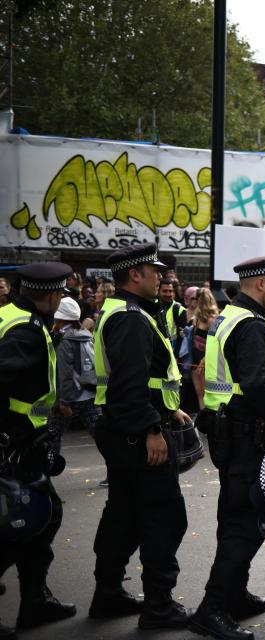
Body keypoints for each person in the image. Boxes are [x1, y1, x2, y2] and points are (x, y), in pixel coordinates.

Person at [189, 257, 265, 640]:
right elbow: (259, 383)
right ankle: (212, 608)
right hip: (244, 434)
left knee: (233, 518)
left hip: (227, 433)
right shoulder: (250, 325)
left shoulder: (228, 317)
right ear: (262, 284)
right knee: (244, 526)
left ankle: (233, 595)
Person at [90, 244, 193, 630]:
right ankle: (159, 607)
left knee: (124, 515)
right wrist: (152, 428)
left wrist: (169, 410)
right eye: (154, 272)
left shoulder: (123, 312)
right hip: (136, 433)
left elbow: (143, 378)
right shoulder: (132, 318)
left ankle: (108, 594)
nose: (161, 279)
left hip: (121, 430)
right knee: (164, 518)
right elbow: (129, 386)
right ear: (135, 275)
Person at [0, 262, 77, 636]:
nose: (61, 299)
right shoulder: (26, 331)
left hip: (20, 442)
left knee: (40, 516)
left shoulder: (10, 315)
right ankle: (33, 601)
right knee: (19, 522)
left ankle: (35, 600)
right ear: (48, 295)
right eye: (60, 293)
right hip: (15, 443)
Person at [48, 297, 100, 455]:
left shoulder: (64, 340)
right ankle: (117, 473)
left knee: (52, 438)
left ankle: (47, 473)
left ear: (60, 318)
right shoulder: (84, 334)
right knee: (102, 436)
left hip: (70, 398)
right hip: (89, 393)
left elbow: (65, 373)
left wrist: (64, 402)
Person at [178, 288, 219, 415]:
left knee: (208, 392)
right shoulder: (197, 318)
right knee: (199, 392)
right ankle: (203, 417)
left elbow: (215, 344)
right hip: (195, 359)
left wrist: (204, 360)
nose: (193, 301)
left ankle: (210, 417)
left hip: (206, 360)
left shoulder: (213, 319)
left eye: (195, 298)